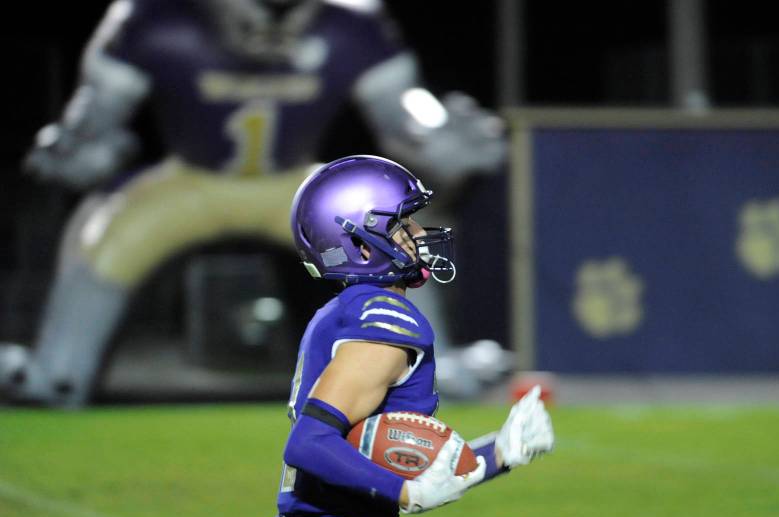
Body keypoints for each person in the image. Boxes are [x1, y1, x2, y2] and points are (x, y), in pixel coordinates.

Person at [0, 0, 507, 407]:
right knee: (100, 235)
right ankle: (55, 370)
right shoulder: (152, 20)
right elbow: (95, 119)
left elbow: (407, 112)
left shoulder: (351, 23)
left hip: (294, 181)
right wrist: (82, 146)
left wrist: (441, 133)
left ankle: (427, 370)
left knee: (393, 233)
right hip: (186, 181)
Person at [250, 155, 555, 517]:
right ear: (363, 246)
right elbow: (308, 443)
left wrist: (499, 453)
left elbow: (382, 445)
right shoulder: (387, 324)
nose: (417, 235)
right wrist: (405, 493)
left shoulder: (344, 312)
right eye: (402, 225)